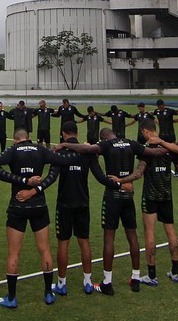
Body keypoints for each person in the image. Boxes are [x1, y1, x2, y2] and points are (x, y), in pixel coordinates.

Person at [0, 128, 76, 308]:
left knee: (14, 253)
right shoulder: (41, 149)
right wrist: (79, 148)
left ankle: (11, 297)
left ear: (15, 141)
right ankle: (48, 293)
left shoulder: (12, 150)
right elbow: (64, 161)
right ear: (29, 138)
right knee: (45, 250)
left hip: (18, 204)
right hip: (39, 205)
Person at [56, 127, 166, 294]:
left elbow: (87, 149)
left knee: (109, 238)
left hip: (112, 196)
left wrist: (64, 144)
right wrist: (173, 145)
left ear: (103, 137)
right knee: (132, 236)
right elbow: (154, 153)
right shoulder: (131, 143)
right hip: (128, 196)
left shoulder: (106, 145)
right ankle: (135, 277)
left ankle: (107, 282)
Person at [50, 121, 125, 296]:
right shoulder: (87, 153)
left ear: (63, 134)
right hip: (83, 202)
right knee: (84, 241)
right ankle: (88, 282)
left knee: (64, 242)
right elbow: (100, 176)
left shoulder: (61, 152)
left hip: (65, 203)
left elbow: (52, 177)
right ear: (77, 132)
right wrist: (120, 184)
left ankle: (62, 283)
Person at [122, 119, 178, 285]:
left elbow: (139, 173)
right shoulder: (168, 148)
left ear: (145, 131)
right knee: (171, 231)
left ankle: (151, 275)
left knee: (149, 232)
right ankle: (175, 272)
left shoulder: (146, 150)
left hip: (150, 196)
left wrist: (120, 180)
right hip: (167, 196)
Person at [154, 100, 178, 175]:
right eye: (158, 107)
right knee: (161, 152)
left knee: (174, 151)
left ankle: (176, 170)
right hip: (161, 135)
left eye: (161, 106)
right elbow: (152, 113)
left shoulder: (169, 111)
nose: (160, 108)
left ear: (164, 105)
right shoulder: (157, 111)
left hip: (170, 135)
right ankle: (162, 167)